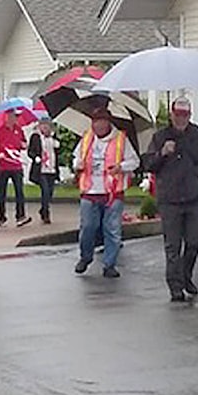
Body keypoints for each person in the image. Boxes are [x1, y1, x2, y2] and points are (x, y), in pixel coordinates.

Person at [142, 97, 198, 302]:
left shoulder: (196, 133)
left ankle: (186, 276)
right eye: (178, 114)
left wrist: (195, 173)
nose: (181, 119)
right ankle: (174, 286)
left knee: (194, 242)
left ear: (189, 116)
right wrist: (162, 153)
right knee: (173, 246)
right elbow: (148, 164)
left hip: (193, 197)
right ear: (172, 114)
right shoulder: (160, 137)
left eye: (185, 115)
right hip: (170, 200)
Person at [72, 106, 140, 278]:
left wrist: (121, 167)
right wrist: (77, 164)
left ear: (108, 123)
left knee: (112, 230)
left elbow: (134, 161)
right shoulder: (87, 139)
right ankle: (85, 257)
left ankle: (109, 264)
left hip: (112, 192)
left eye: (102, 122)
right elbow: (76, 158)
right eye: (95, 122)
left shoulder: (121, 140)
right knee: (88, 227)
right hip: (90, 191)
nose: (98, 126)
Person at [0, 109, 32, 228]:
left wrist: (24, 145)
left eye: (17, 116)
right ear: (7, 116)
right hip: (3, 166)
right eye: (14, 116)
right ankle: (2, 216)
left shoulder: (19, 130)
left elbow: (22, 143)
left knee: (19, 191)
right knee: (1, 192)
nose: (16, 119)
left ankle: (20, 216)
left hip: (16, 165)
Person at [28, 116, 60, 224]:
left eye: (48, 126)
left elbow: (57, 152)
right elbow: (30, 151)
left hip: (51, 168)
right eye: (43, 125)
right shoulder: (36, 137)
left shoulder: (53, 138)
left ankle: (43, 209)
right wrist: (35, 157)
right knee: (45, 191)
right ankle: (46, 213)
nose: (46, 128)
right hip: (41, 169)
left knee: (50, 192)